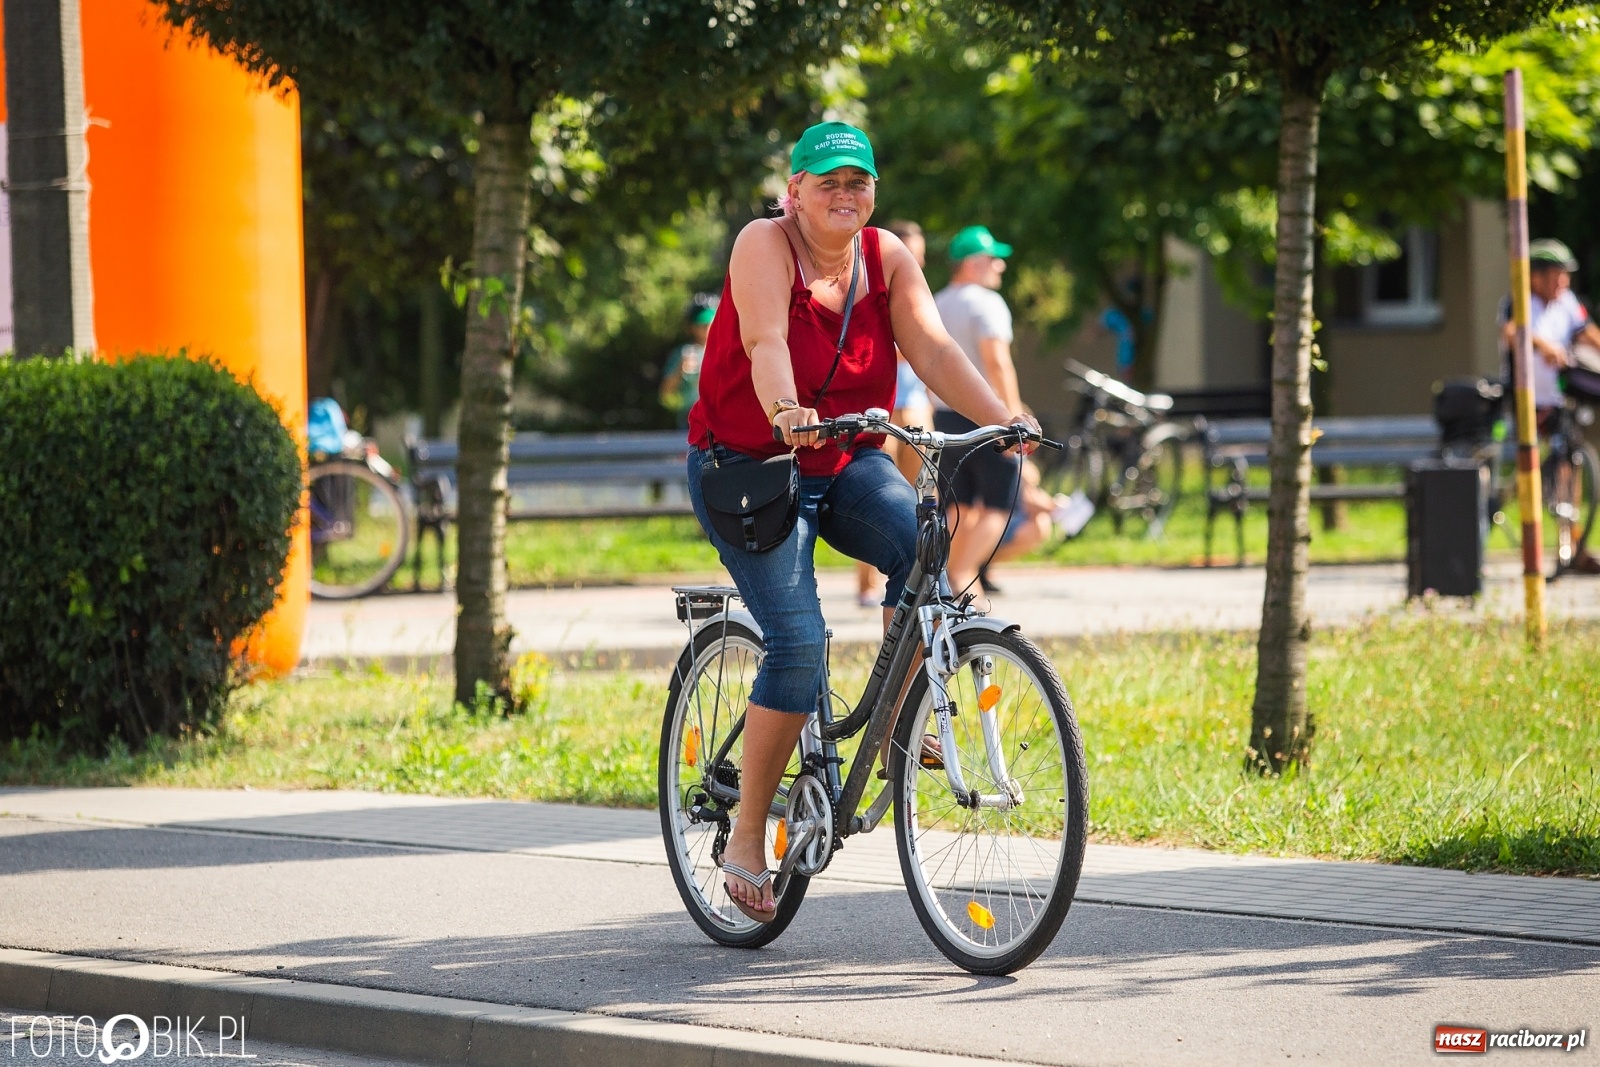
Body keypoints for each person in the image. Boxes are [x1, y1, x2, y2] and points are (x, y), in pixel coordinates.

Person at [684, 121, 1038, 921]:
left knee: (926, 549)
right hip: (749, 469)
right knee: (798, 640)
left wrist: (1002, 418)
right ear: (795, 191)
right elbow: (764, 339)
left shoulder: (886, 256)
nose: (845, 194)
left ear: (873, 191)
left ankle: (895, 731)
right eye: (829, 181)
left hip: (844, 460)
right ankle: (748, 836)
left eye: (859, 181)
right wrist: (786, 409)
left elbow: (935, 351)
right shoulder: (763, 245)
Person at [927, 225, 1028, 594]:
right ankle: (962, 576)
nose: (1000, 266)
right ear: (971, 263)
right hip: (987, 418)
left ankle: (948, 581)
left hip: (945, 416)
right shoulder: (986, 303)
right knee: (1000, 506)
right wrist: (1013, 418)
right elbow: (997, 362)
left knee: (959, 506)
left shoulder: (935, 303)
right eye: (992, 259)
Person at [1498, 238, 1600, 573]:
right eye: (1558, 274)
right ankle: (1526, 539)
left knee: (1570, 465)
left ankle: (1572, 546)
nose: (1563, 282)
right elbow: (1512, 332)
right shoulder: (1520, 301)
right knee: (1531, 469)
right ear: (1536, 276)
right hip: (1528, 401)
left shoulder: (1567, 301)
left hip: (1560, 399)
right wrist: (1543, 345)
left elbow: (1587, 333)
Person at [854, 219, 935, 607]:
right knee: (876, 495)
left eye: (920, 256)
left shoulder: (920, 292)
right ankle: (866, 584)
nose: (918, 262)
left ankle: (921, 583)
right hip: (878, 408)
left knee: (921, 495)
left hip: (915, 404)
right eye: (911, 255)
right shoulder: (870, 291)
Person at [660, 296, 717, 428]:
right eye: (701, 323)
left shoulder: (726, 351)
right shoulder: (684, 353)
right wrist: (679, 370)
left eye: (710, 321)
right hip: (692, 417)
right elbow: (665, 393)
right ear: (691, 326)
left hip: (720, 415)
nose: (706, 326)